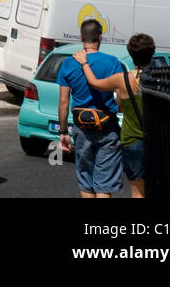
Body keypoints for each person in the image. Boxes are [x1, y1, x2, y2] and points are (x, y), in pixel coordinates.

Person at [74, 32, 154, 198]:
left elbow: (94, 83)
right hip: (158, 140)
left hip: (132, 139)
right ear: (152, 53)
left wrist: (84, 63)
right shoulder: (161, 78)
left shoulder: (122, 79)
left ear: (131, 54)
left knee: (138, 190)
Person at [56, 19, 125, 198]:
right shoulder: (112, 62)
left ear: (80, 37)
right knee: (104, 183)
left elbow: (63, 103)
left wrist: (63, 131)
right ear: (100, 37)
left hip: (81, 128)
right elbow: (121, 98)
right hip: (107, 127)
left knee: (86, 179)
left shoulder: (68, 64)